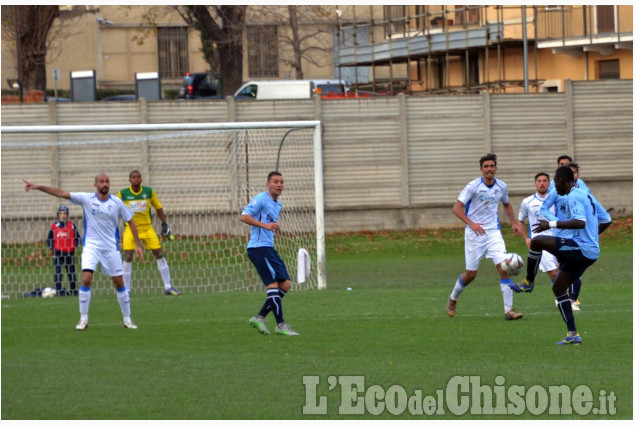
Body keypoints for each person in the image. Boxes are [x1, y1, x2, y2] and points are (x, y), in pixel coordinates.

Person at [24, 174, 144, 330]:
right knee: (86, 279)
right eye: (101, 181)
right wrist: (39, 187)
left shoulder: (117, 202)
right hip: (91, 247)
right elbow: (61, 193)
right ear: (95, 184)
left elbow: (130, 221)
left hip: (110, 248)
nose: (105, 184)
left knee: (119, 282)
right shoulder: (87, 199)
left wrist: (138, 245)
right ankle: (83, 319)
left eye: (107, 181)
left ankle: (128, 319)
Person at [513, 166, 611, 344]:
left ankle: (528, 282)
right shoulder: (586, 194)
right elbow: (607, 219)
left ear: (560, 181)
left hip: (581, 249)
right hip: (590, 252)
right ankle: (573, 335)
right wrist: (592, 238)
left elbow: (579, 222)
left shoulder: (573, 195)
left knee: (537, 241)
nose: (553, 188)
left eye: (554, 184)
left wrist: (551, 224)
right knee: (558, 288)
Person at [446, 153, 524, 321]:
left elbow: (506, 204)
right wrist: (471, 224)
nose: (489, 169)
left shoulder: (502, 186)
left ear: (496, 168)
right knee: (471, 274)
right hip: (474, 235)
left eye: (492, 166)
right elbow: (457, 208)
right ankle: (453, 298)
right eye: (486, 166)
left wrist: (514, 223)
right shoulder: (473, 186)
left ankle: (509, 310)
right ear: (481, 169)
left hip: (493, 233)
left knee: (503, 268)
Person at [241, 171, 299, 336]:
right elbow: (244, 216)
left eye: (281, 182)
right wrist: (265, 226)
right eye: (275, 182)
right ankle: (281, 325)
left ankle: (260, 317)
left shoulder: (277, 205)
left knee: (285, 284)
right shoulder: (260, 199)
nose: (279, 185)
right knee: (272, 285)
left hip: (268, 248)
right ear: (268, 184)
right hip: (258, 248)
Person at [541, 160, 594, 310]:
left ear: (577, 174)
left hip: (578, 233)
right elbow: (544, 208)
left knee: (576, 264)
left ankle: (573, 299)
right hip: (560, 231)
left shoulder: (582, 189)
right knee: (562, 266)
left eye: (575, 172)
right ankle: (564, 297)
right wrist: (555, 221)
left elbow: (591, 208)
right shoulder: (555, 189)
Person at [117, 170, 180, 296]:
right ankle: (126, 290)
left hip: (147, 228)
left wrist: (164, 223)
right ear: (129, 180)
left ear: (141, 179)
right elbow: (114, 208)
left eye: (138, 177)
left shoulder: (149, 192)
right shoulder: (122, 194)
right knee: (128, 256)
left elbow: (158, 207)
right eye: (133, 177)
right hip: (130, 228)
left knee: (158, 252)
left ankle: (168, 286)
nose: (136, 179)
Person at [517, 173, 558, 285]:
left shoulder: (556, 200)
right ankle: (565, 299)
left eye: (545, 181)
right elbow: (520, 220)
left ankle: (564, 298)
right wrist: (526, 238)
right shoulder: (528, 202)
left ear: (549, 183)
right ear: (535, 184)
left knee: (563, 271)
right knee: (553, 273)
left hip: (557, 240)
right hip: (540, 242)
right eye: (539, 181)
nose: (542, 183)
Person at [47, 205, 81, 296]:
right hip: (58, 253)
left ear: (67, 215)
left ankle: (74, 291)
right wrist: (52, 248)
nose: (63, 215)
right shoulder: (54, 226)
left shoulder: (71, 225)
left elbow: (77, 237)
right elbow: (49, 238)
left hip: (69, 253)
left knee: (71, 273)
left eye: (65, 213)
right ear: (58, 215)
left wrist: (75, 245)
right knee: (58, 273)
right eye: (61, 213)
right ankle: (58, 291)